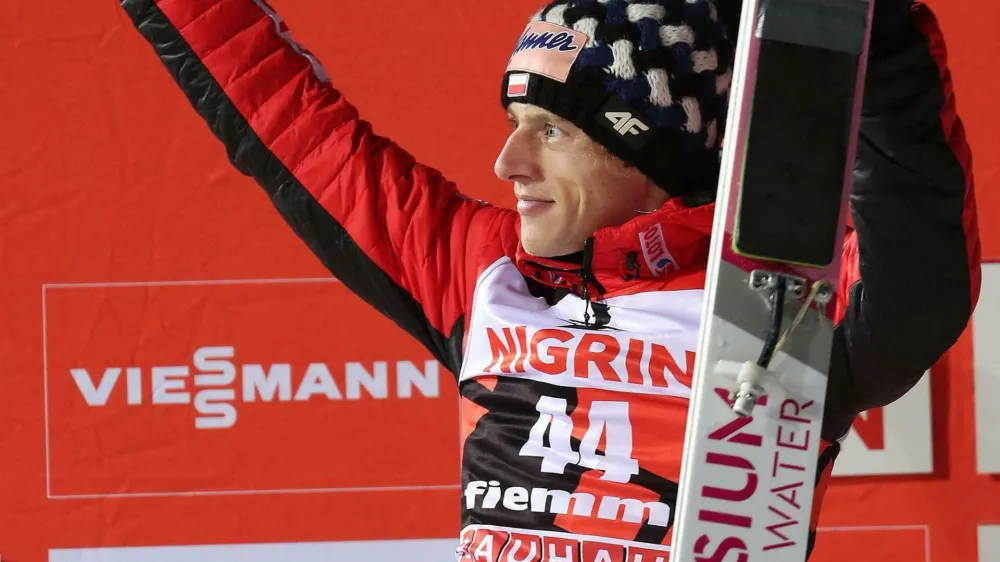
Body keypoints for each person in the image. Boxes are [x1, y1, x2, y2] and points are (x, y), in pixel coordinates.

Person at [120, 0, 980, 558]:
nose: (507, 161)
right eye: (513, 122)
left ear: (649, 147)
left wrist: (878, 32)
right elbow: (288, 122)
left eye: (550, 131)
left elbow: (918, 253)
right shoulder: (484, 270)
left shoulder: (780, 299)